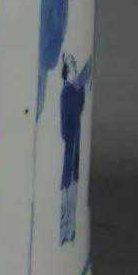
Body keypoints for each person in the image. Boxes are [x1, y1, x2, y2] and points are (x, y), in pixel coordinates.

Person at [59, 54, 90, 244]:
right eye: (71, 66)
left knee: (72, 181)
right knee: (69, 181)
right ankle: (66, 229)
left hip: (73, 138)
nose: (74, 69)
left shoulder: (73, 89)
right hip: (71, 139)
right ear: (66, 73)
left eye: (74, 65)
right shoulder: (69, 90)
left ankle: (68, 230)